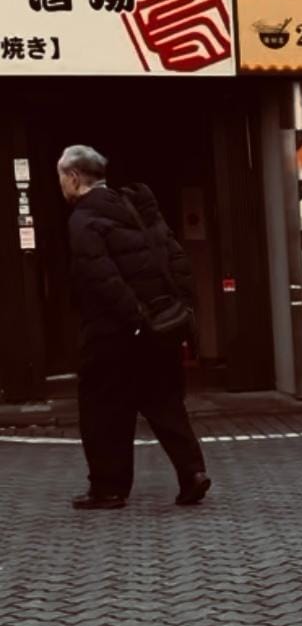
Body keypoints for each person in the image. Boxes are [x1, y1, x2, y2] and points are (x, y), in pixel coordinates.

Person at [58, 145, 209, 512]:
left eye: (61, 178)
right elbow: (177, 258)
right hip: (160, 325)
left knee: (103, 410)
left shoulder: (84, 218)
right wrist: (180, 307)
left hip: (113, 333)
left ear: (74, 177)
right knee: (165, 403)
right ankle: (192, 473)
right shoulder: (137, 207)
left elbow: (100, 277)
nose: (61, 185)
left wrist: (135, 318)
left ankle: (108, 489)